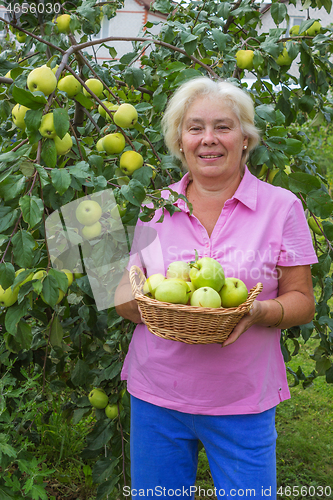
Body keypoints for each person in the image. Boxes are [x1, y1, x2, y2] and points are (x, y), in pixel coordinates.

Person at [115, 77, 317, 499]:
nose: (209, 139)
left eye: (223, 127)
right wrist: (132, 301)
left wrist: (259, 311)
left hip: (242, 399)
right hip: (157, 394)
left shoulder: (282, 207)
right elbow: (126, 291)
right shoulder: (157, 206)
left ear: (245, 138)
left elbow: (301, 301)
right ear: (179, 140)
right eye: (195, 128)